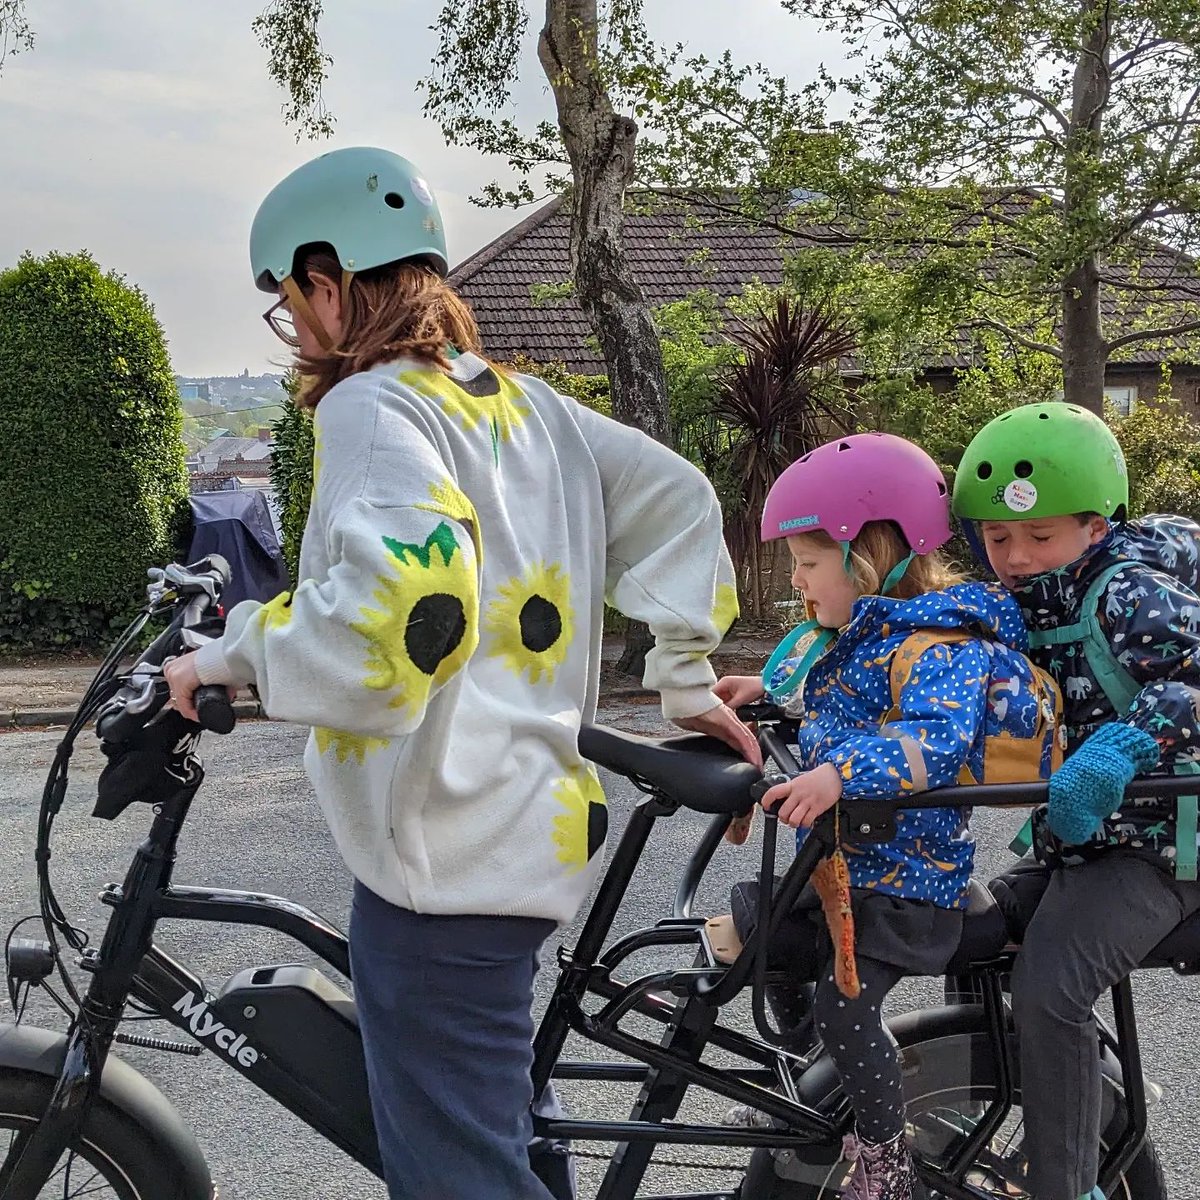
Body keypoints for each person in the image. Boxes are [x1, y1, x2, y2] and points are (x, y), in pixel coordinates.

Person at [163, 145, 758, 1200]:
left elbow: (404, 617)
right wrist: (682, 672)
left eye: (289, 303)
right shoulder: (529, 408)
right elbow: (681, 500)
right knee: (507, 1137)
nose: (295, 329)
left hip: (449, 855)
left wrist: (229, 653)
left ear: (330, 282)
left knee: (459, 1176)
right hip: (521, 831)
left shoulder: (373, 407)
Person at [717, 433, 1055, 1200]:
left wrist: (840, 775)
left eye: (808, 563)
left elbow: (932, 742)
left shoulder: (940, 645)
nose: (796, 580)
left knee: (844, 1006)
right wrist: (765, 693)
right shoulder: (861, 637)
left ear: (868, 558)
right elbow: (843, 705)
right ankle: (811, 1089)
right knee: (756, 923)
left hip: (906, 885)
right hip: (845, 867)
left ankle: (883, 1153)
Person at [953, 401, 1200, 1200]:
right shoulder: (1034, 600)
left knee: (1049, 988)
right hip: (1092, 840)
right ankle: (992, 1110)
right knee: (970, 935)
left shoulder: (1126, 590)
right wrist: (801, 682)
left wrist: (1123, 748)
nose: (1017, 556)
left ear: (1097, 527)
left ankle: (1065, 1183)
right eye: (997, 539)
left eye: (1039, 535)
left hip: (1165, 847)